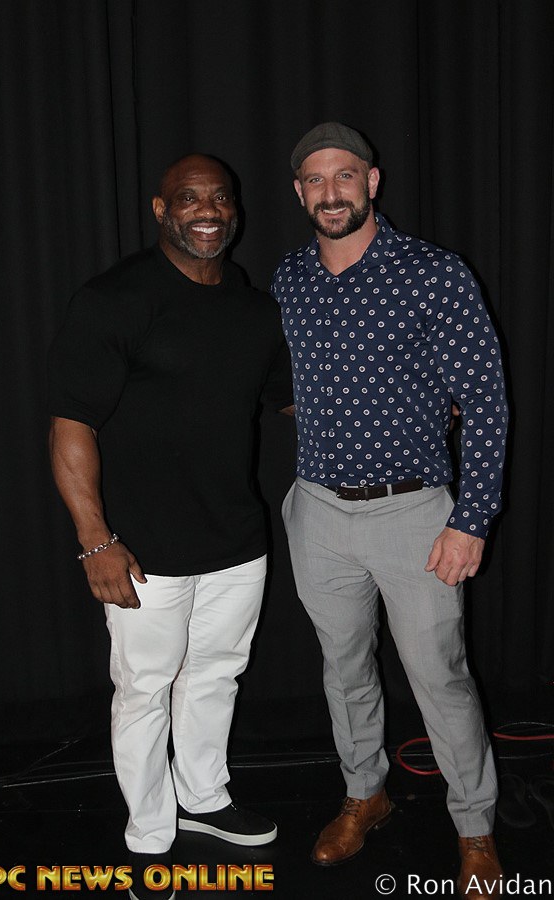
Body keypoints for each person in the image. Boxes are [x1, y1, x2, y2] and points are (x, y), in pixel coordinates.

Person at [271, 123, 508, 900]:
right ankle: (364, 794)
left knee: (439, 677)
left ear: (371, 182)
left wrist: (471, 519)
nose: (330, 191)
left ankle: (474, 828)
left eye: (345, 174)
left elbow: (486, 401)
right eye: (315, 178)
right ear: (299, 191)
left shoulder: (433, 273)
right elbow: (289, 379)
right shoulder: (289, 279)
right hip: (317, 510)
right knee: (343, 670)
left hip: (414, 516)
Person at [48, 154, 291, 900]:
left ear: (235, 209)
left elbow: (291, 400)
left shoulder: (254, 309)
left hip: (237, 542)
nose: (208, 211)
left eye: (220, 197)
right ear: (162, 210)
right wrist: (95, 540)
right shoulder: (115, 299)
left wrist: (409, 403)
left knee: (216, 677)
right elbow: (71, 424)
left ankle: (205, 798)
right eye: (189, 198)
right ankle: (150, 834)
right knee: (145, 690)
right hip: (141, 551)